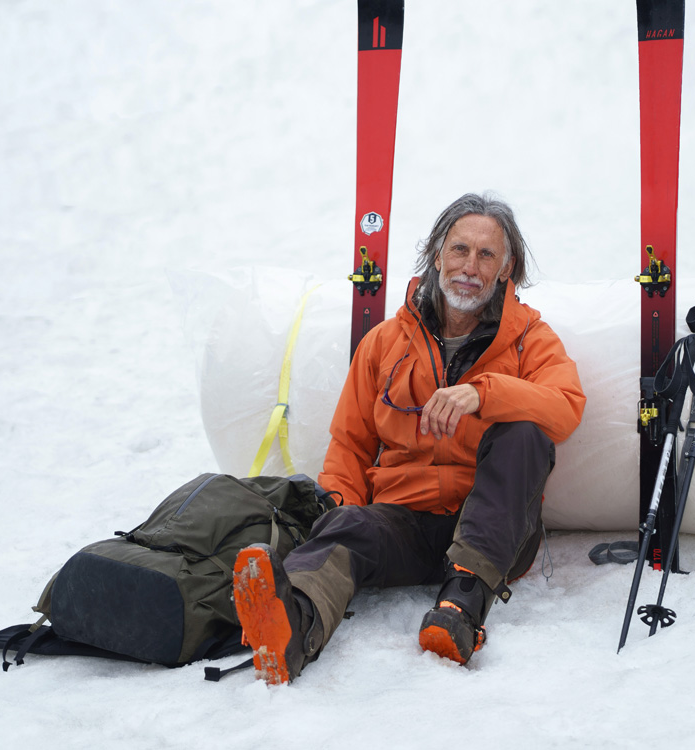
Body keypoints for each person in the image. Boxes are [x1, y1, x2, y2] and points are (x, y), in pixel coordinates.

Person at [232, 192, 586, 684]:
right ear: (437, 254)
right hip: (405, 520)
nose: (470, 266)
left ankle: (459, 611)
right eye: (460, 249)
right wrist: (339, 508)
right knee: (345, 526)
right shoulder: (384, 341)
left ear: (506, 270)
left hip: (493, 528)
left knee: (525, 433)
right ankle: (292, 625)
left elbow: (566, 407)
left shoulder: (530, 338)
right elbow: (351, 443)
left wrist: (483, 394)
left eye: (487, 256)